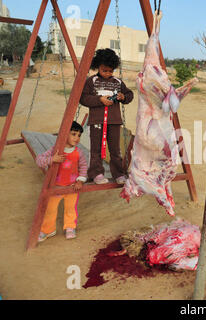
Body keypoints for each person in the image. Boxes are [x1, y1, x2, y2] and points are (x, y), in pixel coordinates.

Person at [80, 48, 134, 184]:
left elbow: (129, 95)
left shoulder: (118, 82)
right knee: (96, 148)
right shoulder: (91, 81)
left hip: (114, 121)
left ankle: (118, 174)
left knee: (115, 150)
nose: (107, 73)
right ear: (98, 66)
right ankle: (96, 173)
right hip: (97, 120)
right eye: (104, 70)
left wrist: (123, 97)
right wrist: (99, 100)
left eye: (110, 70)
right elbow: (83, 98)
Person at [37, 121, 88, 242]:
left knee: (71, 208)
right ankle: (48, 230)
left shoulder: (78, 153)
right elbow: (39, 160)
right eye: (73, 134)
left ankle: (70, 227)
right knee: (50, 209)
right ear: (64, 134)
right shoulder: (56, 150)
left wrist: (80, 181)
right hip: (56, 187)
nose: (76, 138)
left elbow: (84, 167)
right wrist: (52, 159)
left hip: (72, 187)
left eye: (79, 135)